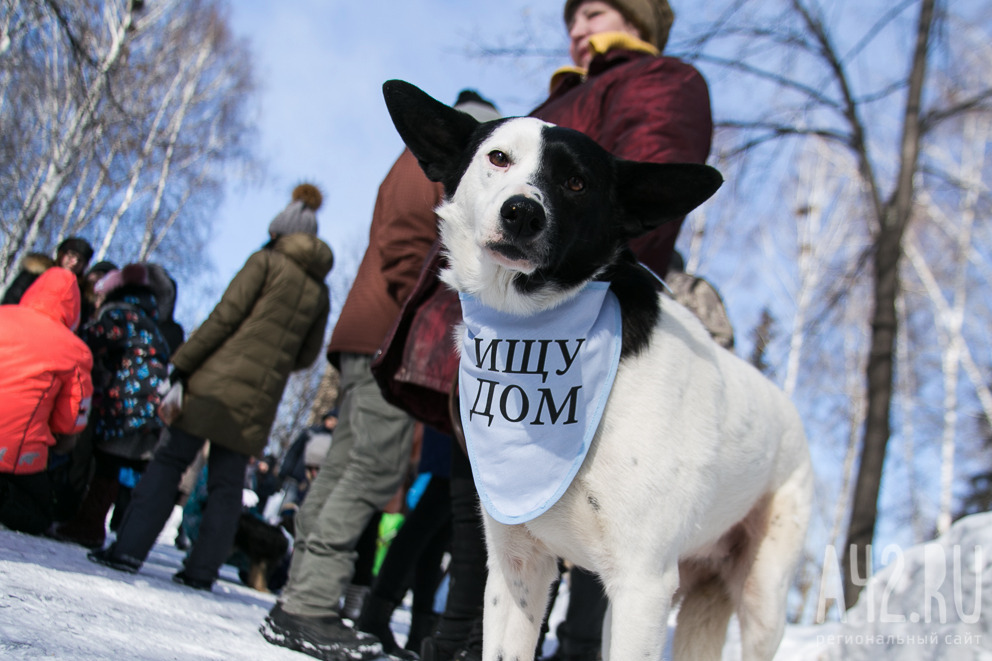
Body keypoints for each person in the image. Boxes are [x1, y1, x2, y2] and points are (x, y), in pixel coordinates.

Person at [260, 92, 500, 661]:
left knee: (350, 461)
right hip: (387, 335)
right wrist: (439, 311)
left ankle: (304, 592)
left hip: (369, 330)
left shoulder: (414, 161)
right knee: (374, 463)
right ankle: (308, 606)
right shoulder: (430, 162)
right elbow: (403, 248)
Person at [87, 183, 333, 592]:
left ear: (281, 231)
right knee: (227, 485)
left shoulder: (265, 261)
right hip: (257, 402)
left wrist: (181, 363)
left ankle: (128, 550)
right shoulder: (319, 291)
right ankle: (201, 571)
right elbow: (307, 357)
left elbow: (224, 317)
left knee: (169, 462)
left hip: (213, 383)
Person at [50, 264, 171, 549]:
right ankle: (93, 523)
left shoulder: (119, 314)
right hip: (150, 404)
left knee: (106, 463)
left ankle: (89, 526)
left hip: (127, 401)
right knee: (114, 466)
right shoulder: (148, 319)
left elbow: (87, 343)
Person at [0, 268, 94, 534]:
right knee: (39, 516)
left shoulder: (2, 315)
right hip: (16, 456)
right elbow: (73, 419)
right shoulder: (75, 351)